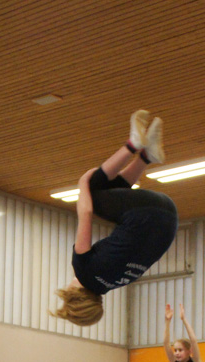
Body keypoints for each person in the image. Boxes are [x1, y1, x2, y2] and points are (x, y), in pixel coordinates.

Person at [53, 109, 178, 326]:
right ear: (74, 295)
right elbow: (86, 213)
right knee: (93, 191)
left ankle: (147, 156)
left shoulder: (117, 282)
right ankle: (133, 144)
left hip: (169, 216)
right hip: (146, 212)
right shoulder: (84, 271)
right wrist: (82, 184)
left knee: (110, 195)